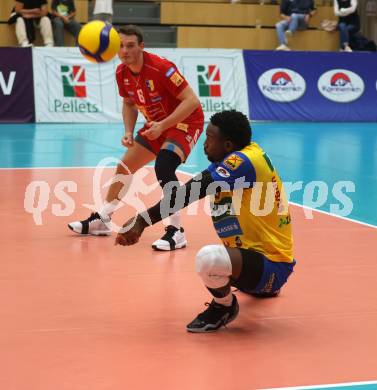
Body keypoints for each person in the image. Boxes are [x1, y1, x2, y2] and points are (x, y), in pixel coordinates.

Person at [115, 110, 296, 333]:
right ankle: (253, 286)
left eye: (210, 137)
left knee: (209, 260)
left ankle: (224, 307)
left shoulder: (243, 162)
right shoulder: (234, 159)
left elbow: (191, 192)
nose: (205, 142)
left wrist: (142, 221)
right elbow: (190, 188)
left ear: (228, 144)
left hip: (271, 268)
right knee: (216, 260)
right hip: (253, 264)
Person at [68, 25, 204, 251]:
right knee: (124, 167)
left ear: (141, 46)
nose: (125, 51)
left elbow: (192, 101)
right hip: (156, 125)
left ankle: (177, 231)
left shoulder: (161, 67)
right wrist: (129, 131)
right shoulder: (121, 72)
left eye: (130, 45)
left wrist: (163, 125)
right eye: (120, 46)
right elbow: (129, 103)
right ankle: (103, 219)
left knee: (164, 165)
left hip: (185, 122)